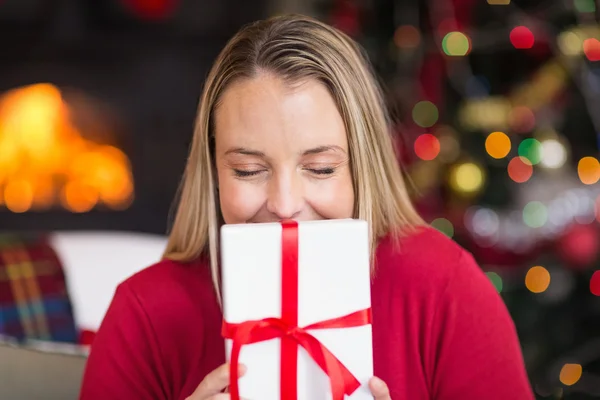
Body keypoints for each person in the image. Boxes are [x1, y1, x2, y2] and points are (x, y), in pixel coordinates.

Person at [79, 14, 535, 400]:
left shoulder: (445, 291)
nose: (285, 205)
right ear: (213, 170)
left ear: (362, 166)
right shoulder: (146, 313)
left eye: (319, 169)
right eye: (248, 170)